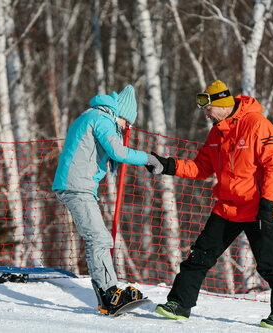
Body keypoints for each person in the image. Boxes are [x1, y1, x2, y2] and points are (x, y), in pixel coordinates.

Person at [148, 80, 273, 329]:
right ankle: (179, 304)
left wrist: (268, 204)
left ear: (221, 104)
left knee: (268, 262)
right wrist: (168, 165)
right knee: (199, 255)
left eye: (208, 109)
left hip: (259, 207)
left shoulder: (257, 125)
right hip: (227, 207)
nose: (205, 114)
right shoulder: (216, 132)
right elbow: (202, 167)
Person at [52, 85, 162, 315]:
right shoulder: (101, 118)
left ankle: (109, 293)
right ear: (121, 114)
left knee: (99, 238)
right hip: (76, 187)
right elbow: (118, 152)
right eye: (127, 123)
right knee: (99, 238)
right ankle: (109, 294)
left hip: (80, 186)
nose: (126, 128)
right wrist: (148, 158)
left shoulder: (93, 116)